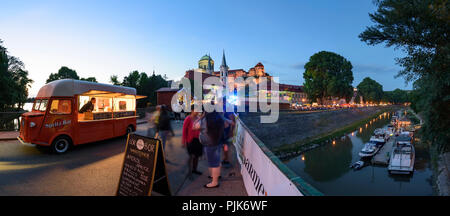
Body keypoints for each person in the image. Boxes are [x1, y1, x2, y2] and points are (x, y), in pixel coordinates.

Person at [197, 110, 224, 188]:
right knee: (217, 161)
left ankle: (214, 182)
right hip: (217, 142)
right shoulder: (219, 118)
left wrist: (201, 117)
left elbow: (195, 126)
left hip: (210, 143)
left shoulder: (205, 120)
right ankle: (216, 176)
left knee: (213, 163)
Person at [182, 105, 203, 175]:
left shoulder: (198, 118)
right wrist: (183, 141)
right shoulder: (188, 118)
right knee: (191, 156)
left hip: (198, 140)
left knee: (196, 156)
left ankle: (195, 169)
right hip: (190, 140)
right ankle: (189, 170)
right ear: (191, 110)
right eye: (195, 110)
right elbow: (184, 130)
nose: (197, 112)